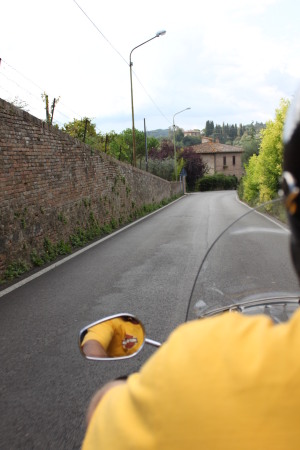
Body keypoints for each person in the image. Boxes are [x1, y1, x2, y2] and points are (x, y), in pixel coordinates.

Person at [81, 89, 300, 449]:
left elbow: (101, 415)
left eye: (231, 158)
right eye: (229, 158)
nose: (230, 160)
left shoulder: (199, 361)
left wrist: (116, 380)